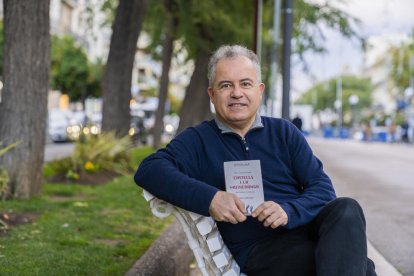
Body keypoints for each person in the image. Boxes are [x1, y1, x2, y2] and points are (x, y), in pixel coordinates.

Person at [134, 45, 376, 276]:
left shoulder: (284, 132)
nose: (237, 93)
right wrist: (211, 198)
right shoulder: (198, 140)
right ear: (212, 94)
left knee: (347, 208)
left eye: (245, 84)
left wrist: (288, 211)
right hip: (259, 250)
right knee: (360, 267)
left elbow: (322, 190)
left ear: (259, 91)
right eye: (226, 85)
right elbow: (149, 170)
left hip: (303, 229)